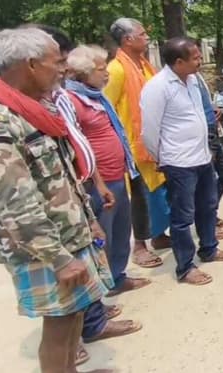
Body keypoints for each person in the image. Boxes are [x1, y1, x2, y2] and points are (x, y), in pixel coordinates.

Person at [0, 28, 113, 372]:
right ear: (31, 64)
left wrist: (89, 222)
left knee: (73, 314)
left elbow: (62, 177)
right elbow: (15, 204)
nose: (64, 69)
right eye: (57, 62)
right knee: (59, 325)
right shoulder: (3, 120)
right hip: (43, 249)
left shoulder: (34, 109)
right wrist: (59, 259)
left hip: (68, 236)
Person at [141, 38, 223, 286]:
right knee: (182, 216)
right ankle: (185, 267)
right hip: (178, 161)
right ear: (178, 62)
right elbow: (149, 131)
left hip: (202, 156)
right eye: (195, 58)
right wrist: (162, 158)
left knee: (207, 205)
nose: (200, 61)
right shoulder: (157, 87)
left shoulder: (192, 81)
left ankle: (209, 248)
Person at [65, 45, 151, 298]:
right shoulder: (72, 101)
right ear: (83, 73)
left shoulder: (96, 97)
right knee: (103, 236)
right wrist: (98, 182)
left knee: (121, 230)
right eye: (101, 69)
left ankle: (117, 277)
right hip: (98, 183)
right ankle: (100, 289)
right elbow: (77, 145)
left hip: (117, 176)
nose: (107, 74)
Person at [105, 17, 170, 268]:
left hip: (152, 140)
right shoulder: (116, 70)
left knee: (158, 193)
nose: (147, 38)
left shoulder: (144, 65)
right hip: (132, 146)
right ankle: (140, 246)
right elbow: (107, 109)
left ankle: (158, 235)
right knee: (140, 197)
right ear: (127, 40)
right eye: (142, 34)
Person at [194, 66, 223, 237]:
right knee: (207, 182)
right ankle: (207, 224)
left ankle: (211, 215)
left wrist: (213, 107)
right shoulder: (181, 82)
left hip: (212, 131)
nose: (199, 61)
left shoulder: (197, 77)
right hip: (203, 135)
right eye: (195, 57)